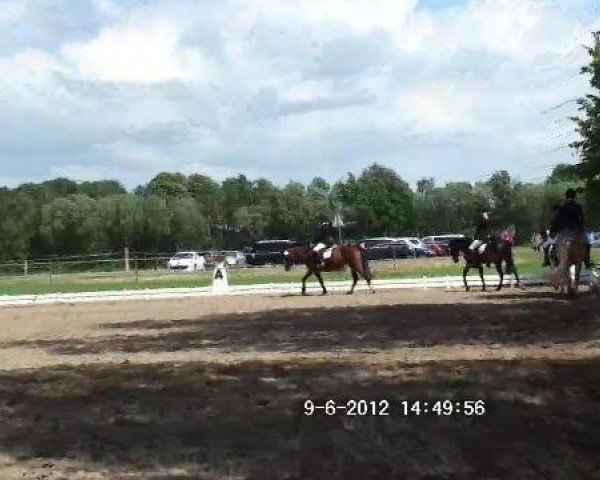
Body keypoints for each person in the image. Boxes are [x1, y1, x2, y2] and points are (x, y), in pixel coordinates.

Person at [551, 188, 592, 269]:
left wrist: (556, 228)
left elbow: (558, 218)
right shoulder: (578, 206)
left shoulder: (563, 206)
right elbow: (582, 218)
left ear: (566, 196)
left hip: (564, 230)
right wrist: (582, 227)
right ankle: (587, 260)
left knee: (555, 243)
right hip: (576, 230)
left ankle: (555, 258)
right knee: (587, 242)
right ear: (574, 196)